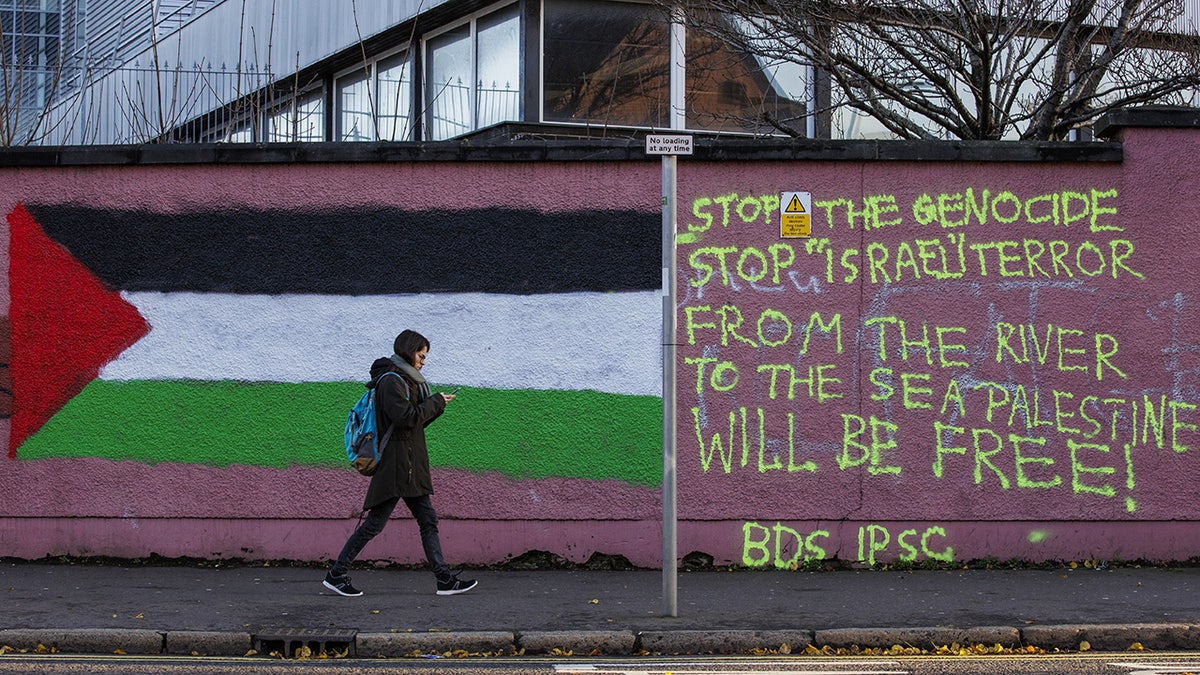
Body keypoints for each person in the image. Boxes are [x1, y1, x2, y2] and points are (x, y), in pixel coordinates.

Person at [323, 329, 478, 597]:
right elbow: (406, 418)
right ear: (409, 351)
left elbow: (413, 423)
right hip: (397, 467)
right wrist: (435, 402)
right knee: (374, 524)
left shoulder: (408, 381)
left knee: (427, 519)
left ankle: (444, 579)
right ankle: (336, 574)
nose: (424, 361)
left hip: (409, 465)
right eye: (421, 354)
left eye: (425, 356)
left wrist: (437, 405)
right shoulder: (391, 381)